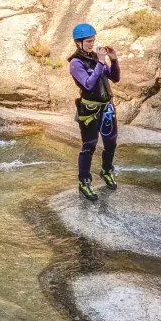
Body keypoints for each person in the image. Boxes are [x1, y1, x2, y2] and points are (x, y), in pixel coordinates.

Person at [68, 23, 120, 201]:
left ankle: (106, 171)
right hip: (89, 111)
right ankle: (84, 182)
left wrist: (113, 60)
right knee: (89, 146)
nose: (91, 44)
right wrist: (99, 62)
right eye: (88, 41)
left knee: (111, 143)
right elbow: (88, 84)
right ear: (78, 43)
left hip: (107, 109)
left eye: (93, 40)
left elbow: (115, 77)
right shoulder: (76, 63)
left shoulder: (94, 58)